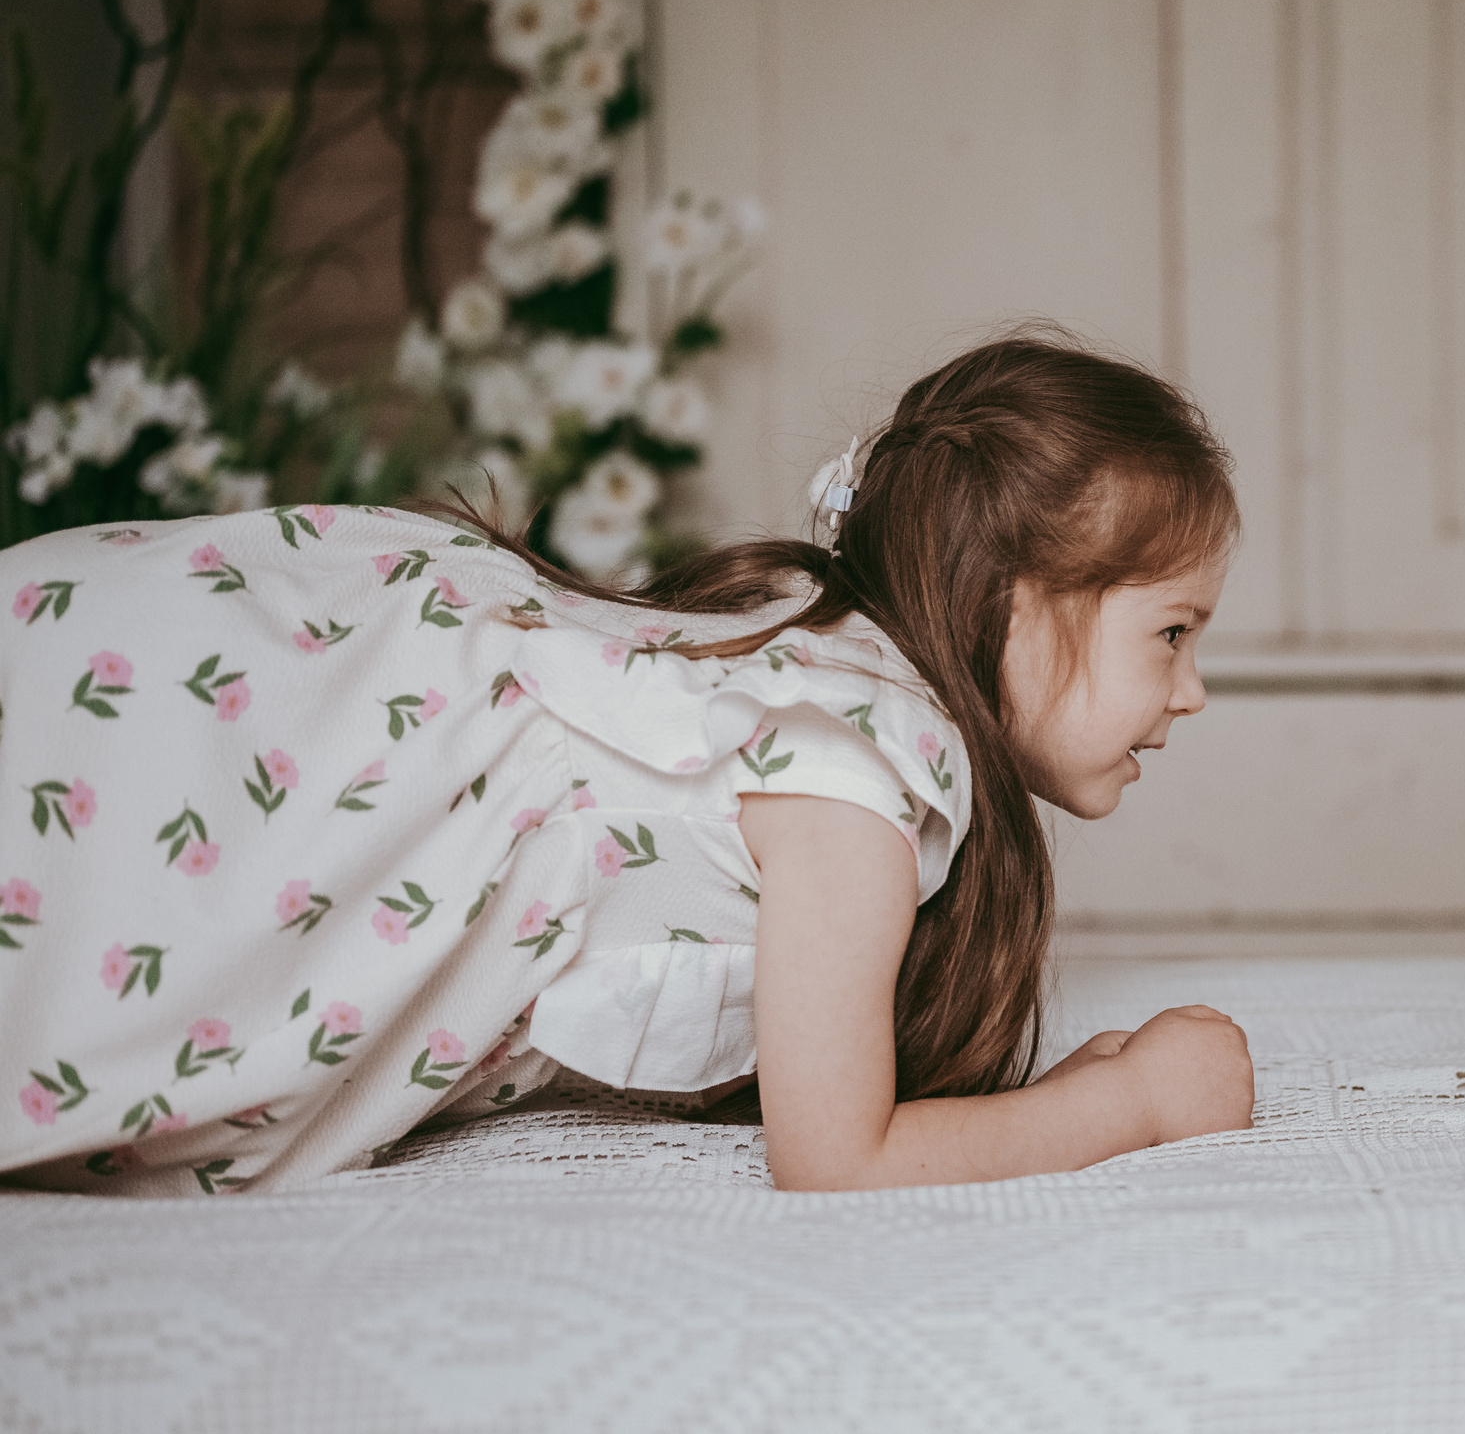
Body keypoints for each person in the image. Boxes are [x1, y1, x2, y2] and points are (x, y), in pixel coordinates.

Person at [1, 330, 1254, 1195]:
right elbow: (836, 1154)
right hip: (285, 745)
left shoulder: (809, 647)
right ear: (1018, 607)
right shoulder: (862, 771)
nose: (1193, 691)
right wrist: (1131, 1105)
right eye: (1171, 632)